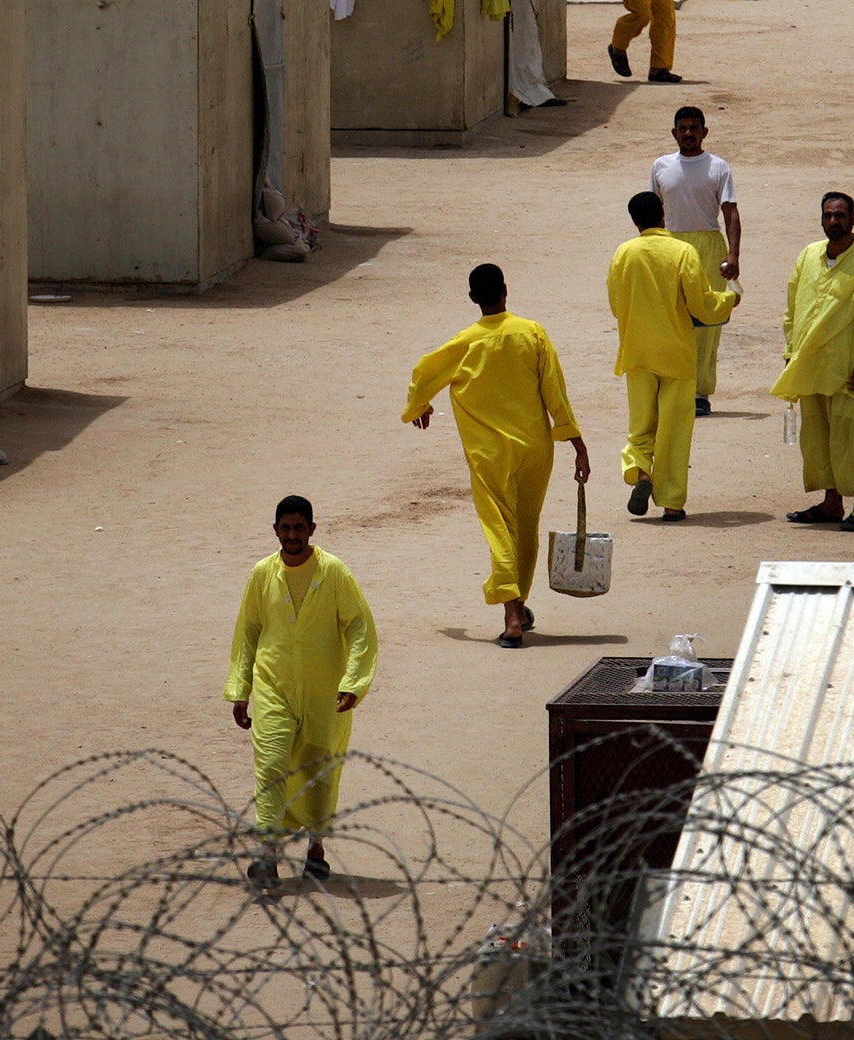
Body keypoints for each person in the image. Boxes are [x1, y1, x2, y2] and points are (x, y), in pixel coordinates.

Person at [403, 264, 591, 647]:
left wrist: (419, 406)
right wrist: (576, 443)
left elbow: (424, 372)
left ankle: (511, 616)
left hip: (489, 456)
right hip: (535, 450)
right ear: (506, 290)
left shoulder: (465, 343)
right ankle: (518, 603)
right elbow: (555, 391)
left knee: (499, 529)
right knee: (526, 526)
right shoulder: (532, 332)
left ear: (473, 298)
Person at [224, 494, 378, 889]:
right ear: (275, 530)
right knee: (271, 765)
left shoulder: (334, 573)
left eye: (298, 527)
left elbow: (359, 627)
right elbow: (249, 632)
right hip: (272, 685)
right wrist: (241, 688)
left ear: (312, 529)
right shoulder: (262, 574)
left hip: (324, 689)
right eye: (285, 528)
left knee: (318, 769)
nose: (291, 535)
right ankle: (268, 855)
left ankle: (316, 849)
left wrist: (353, 682)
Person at [608, 192, 739, 522]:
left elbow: (615, 304)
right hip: (677, 354)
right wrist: (727, 301)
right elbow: (701, 305)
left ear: (635, 221)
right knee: (675, 430)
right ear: (663, 214)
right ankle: (671, 503)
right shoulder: (683, 252)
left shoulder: (623, 253)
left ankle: (640, 473)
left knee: (640, 427)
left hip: (637, 352)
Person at [775, 193, 854, 533]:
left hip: (847, 367)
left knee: (850, 436)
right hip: (809, 365)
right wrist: (790, 350)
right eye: (828, 216)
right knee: (817, 436)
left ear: (853, 219)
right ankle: (831, 503)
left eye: (840, 215)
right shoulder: (809, 255)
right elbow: (793, 307)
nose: (833, 222)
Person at [650, 106, 741, 417]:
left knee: (705, 322)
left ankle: (700, 393)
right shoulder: (661, 165)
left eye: (694, 128)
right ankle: (672, 386)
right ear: (674, 133)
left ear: (705, 132)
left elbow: (730, 212)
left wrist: (733, 254)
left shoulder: (718, 167)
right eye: (682, 128)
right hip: (670, 245)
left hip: (708, 246)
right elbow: (655, 212)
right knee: (670, 318)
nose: (688, 133)